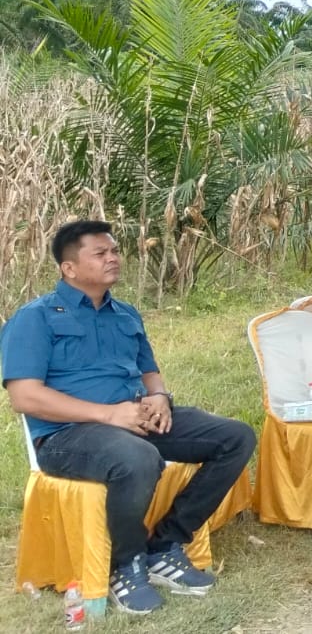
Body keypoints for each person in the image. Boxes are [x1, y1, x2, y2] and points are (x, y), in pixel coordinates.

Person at [2, 221, 256, 614]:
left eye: (115, 251)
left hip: (135, 420)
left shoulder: (125, 314)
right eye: (100, 253)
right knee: (138, 457)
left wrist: (159, 397)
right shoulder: (35, 318)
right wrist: (108, 414)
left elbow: (149, 371)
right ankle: (127, 564)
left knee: (236, 437)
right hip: (68, 436)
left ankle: (165, 545)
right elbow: (25, 397)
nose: (113, 258)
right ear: (69, 268)